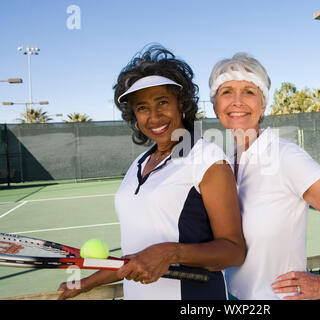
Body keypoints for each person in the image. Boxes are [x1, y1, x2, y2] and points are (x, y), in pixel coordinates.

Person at [58, 45, 245, 300]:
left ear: (181, 103)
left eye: (162, 102)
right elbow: (135, 257)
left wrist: (170, 252)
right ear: (133, 114)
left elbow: (233, 251)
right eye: (142, 107)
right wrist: (85, 283)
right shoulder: (137, 165)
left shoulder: (208, 160)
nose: (154, 116)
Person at [208, 52, 320, 300]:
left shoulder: (285, 157)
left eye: (249, 91)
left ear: (263, 104)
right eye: (226, 91)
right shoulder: (227, 162)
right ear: (215, 105)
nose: (237, 101)